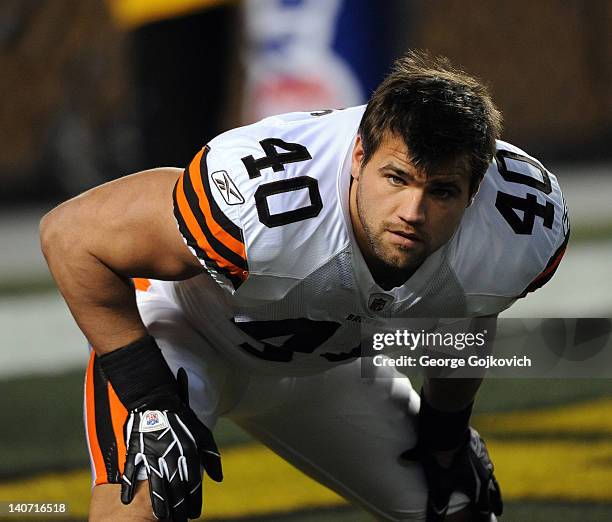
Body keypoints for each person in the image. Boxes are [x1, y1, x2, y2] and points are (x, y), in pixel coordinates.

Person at [40, 51, 568, 521]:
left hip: (326, 368)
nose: (413, 212)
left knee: (455, 503)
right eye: (397, 178)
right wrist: (148, 396)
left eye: (443, 191)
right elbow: (70, 236)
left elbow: (471, 308)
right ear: (359, 157)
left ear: (476, 190)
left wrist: (447, 431)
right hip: (185, 337)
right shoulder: (264, 204)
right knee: (147, 496)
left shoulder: (513, 228)